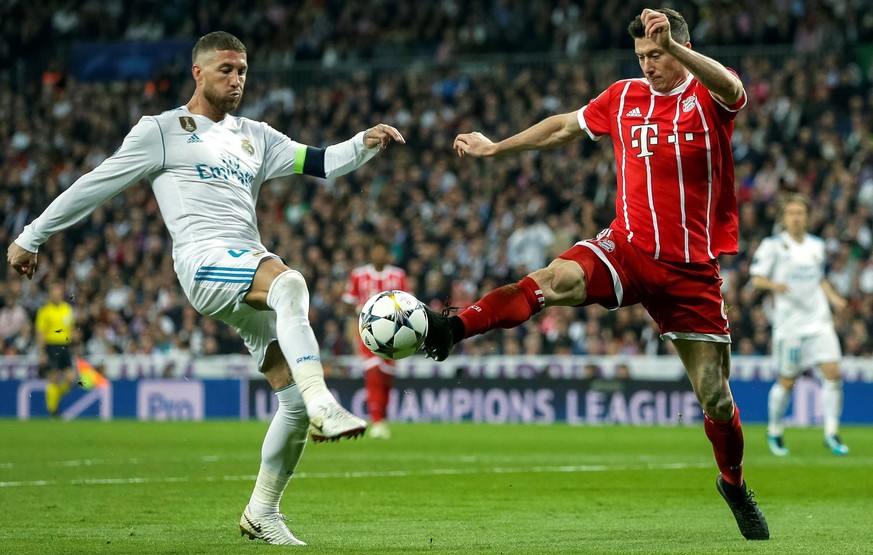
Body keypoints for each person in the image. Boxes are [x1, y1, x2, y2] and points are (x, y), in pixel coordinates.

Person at [7, 31, 405, 546]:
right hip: (202, 262)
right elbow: (97, 182)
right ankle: (324, 400)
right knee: (290, 283)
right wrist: (31, 235)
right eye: (226, 70)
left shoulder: (256, 136)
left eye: (242, 70)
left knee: (290, 401)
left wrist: (365, 142)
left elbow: (322, 162)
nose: (236, 79)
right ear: (197, 72)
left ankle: (263, 511)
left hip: (243, 264)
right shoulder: (162, 130)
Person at [423, 8, 769, 541]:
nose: (649, 65)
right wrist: (497, 146)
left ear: (679, 48)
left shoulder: (706, 97)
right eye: (642, 57)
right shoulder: (624, 97)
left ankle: (733, 482)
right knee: (552, 279)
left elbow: (734, 86)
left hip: (690, 270)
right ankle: (455, 327)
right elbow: (563, 125)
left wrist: (675, 49)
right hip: (626, 248)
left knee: (716, 396)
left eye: (656, 54)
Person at [749, 193, 850, 456]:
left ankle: (831, 431)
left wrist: (834, 298)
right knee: (787, 379)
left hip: (819, 321)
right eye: (791, 212)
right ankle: (775, 430)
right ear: (783, 218)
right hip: (790, 326)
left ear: (807, 217)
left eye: (800, 212)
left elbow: (820, 279)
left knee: (833, 372)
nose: (796, 217)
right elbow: (757, 278)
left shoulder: (816, 246)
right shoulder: (773, 246)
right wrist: (775, 285)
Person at [342, 239, 409, 439]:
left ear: (387, 255)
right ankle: (377, 420)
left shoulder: (398, 275)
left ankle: (382, 417)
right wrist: (361, 311)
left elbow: (408, 302)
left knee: (387, 375)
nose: (379, 255)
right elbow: (348, 303)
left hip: (394, 333)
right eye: (375, 252)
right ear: (371, 254)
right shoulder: (359, 275)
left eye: (382, 252)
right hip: (368, 331)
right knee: (373, 373)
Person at [34, 281, 78, 417]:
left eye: (59, 294)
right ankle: (53, 411)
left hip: (65, 347)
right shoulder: (44, 311)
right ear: (50, 295)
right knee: (53, 378)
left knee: (71, 378)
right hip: (51, 346)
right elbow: (40, 333)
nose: (57, 296)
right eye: (55, 294)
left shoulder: (67, 309)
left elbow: (71, 329)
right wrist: (42, 352)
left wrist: (74, 341)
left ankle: (54, 400)